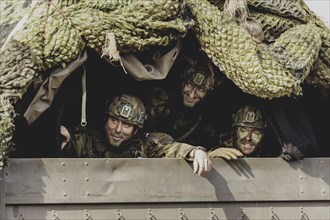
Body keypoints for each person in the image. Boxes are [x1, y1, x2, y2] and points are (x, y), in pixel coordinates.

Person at [60, 94, 212, 176]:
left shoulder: (144, 143)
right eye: (114, 120)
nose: (118, 129)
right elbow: (72, 140)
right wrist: (65, 138)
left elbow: (170, 148)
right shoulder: (89, 139)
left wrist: (195, 152)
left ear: (135, 130)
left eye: (126, 125)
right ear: (105, 119)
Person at [144, 53, 219, 150]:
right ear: (182, 81)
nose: (192, 94)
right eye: (189, 84)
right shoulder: (160, 101)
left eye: (200, 89)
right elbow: (142, 136)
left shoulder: (207, 116)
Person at [208, 105, 272, 159]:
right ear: (235, 133)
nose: (248, 138)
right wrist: (211, 155)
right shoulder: (222, 147)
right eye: (243, 131)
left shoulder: (271, 153)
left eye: (256, 133)